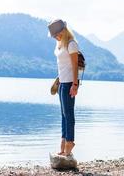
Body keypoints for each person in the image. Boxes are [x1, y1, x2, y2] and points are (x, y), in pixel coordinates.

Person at [48, 19, 79, 156]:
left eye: (56, 34)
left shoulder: (72, 44)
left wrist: (75, 84)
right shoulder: (60, 45)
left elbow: (74, 66)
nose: (55, 37)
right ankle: (63, 143)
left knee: (69, 115)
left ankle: (70, 142)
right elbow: (63, 65)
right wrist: (58, 79)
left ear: (63, 31)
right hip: (62, 82)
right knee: (63, 115)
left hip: (69, 84)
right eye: (54, 35)